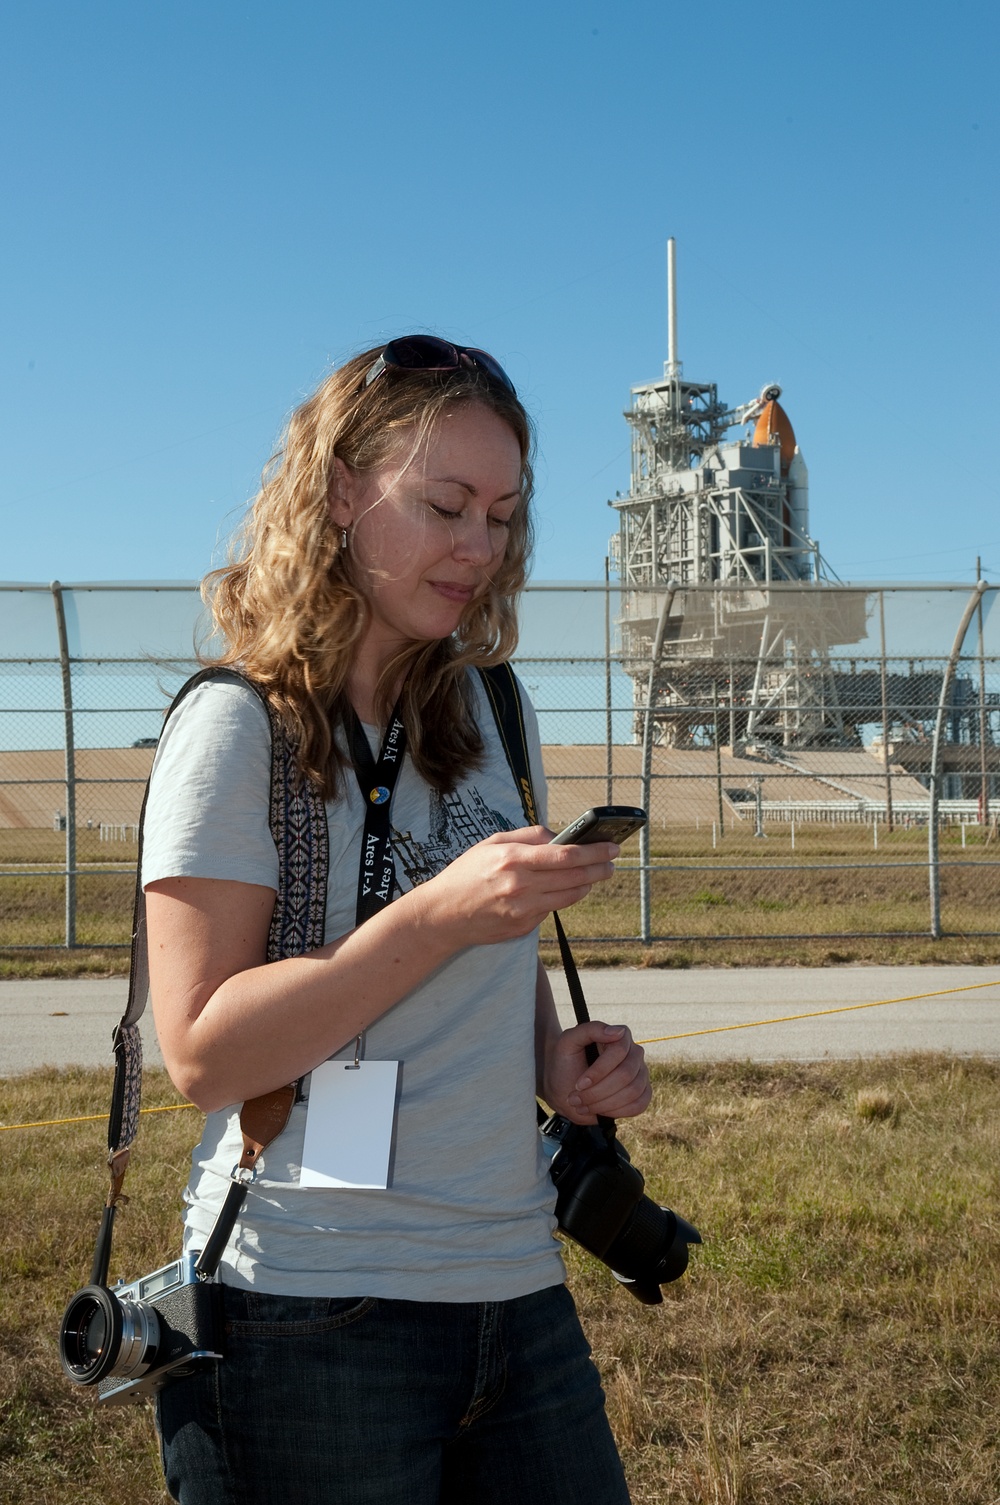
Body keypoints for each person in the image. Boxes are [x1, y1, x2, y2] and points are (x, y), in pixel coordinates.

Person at [143, 336, 651, 1505]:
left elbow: (492, 950)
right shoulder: (239, 724)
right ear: (338, 491)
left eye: (504, 516)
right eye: (445, 504)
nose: (480, 546)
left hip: (514, 1280)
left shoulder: (491, 706)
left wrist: (552, 1058)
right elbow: (203, 1052)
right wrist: (435, 917)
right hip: (306, 1305)